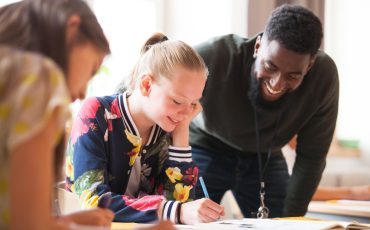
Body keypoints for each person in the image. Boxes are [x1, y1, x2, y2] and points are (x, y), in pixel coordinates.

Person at [189, 4, 339, 218]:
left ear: (310, 65)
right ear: (258, 47)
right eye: (270, 67)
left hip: (265, 155)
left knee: (283, 221)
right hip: (205, 145)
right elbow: (138, 87)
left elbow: (312, 158)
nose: (277, 84)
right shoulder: (212, 57)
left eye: (293, 76)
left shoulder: (324, 77)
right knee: (184, 219)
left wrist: (292, 220)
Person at [66, 32, 225, 224]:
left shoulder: (166, 126)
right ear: (146, 85)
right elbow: (93, 201)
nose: (186, 113)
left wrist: (182, 129)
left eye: (193, 104)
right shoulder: (96, 114)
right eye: (176, 101)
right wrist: (174, 210)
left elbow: (177, 204)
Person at [0, 0, 115, 228]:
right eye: (92, 69)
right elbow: (28, 226)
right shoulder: (38, 77)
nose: (83, 93)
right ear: (71, 29)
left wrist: (64, 222)